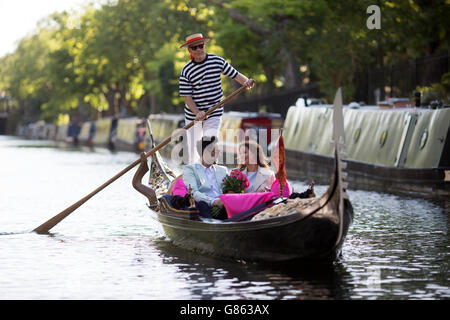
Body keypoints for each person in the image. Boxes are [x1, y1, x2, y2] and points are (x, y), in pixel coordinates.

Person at [179, 33, 254, 164]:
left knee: (210, 145)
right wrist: (197, 113)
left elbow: (235, 74)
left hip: (214, 111)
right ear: (189, 50)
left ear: (205, 46)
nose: (198, 50)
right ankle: (192, 179)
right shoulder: (186, 70)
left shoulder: (217, 61)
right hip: (193, 114)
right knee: (191, 152)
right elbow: (188, 98)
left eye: (200, 46)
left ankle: (211, 176)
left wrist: (246, 82)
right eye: (194, 47)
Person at [183, 136, 228, 219]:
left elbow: (229, 190)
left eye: (218, 151)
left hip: (223, 206)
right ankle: (212, 225)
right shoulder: (190, 169)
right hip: (206, 206)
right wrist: (214, 202)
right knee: (202, 204)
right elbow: (194, 193)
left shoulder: (223, 170)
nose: (218, 154)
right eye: (214, 151)